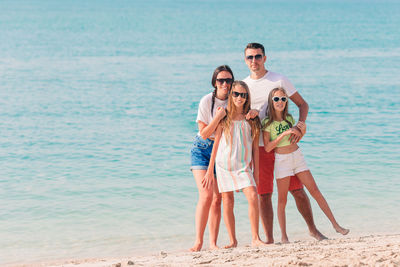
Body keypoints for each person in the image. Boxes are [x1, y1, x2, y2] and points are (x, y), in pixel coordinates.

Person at [243, 42, 327, 243]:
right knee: (264, 194)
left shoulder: (279, 79)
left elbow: (302, 104)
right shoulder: (244, 86)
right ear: (245, 60)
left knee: (297, 190)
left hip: (284, 148)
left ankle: (313, 230)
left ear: (265, 58)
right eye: (250, 57)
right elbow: (239, 115)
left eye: (258, 56)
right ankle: (271, 239)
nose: (254, 61)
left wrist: (300, 125)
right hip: (260, 147)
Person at [262, 88, 349, 243]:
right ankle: (284, 236)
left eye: (283, 99)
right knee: (282, 200)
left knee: (315, 191)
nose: (280, 102)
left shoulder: (289, 118)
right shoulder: (267, 123)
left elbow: (296, 139)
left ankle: (336, 226)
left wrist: (303, 132)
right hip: (282, 161)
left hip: (297, 157)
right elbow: (268, 147)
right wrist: (283, 134)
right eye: (276, 99)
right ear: (271, 101)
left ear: (286, 101)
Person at [204, 81, 265, 248]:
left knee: (253, 196)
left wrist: (257, 172)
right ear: (231, 95)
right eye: (236, 94)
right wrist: (210, 170)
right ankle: (233, 240)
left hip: (244, 166)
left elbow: (255, 148)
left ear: (247, 97)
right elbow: (216, 144)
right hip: (224, 165)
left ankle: (255, 238)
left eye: (243, 95)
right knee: (228, 201)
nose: (240, 97)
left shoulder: (251, 119)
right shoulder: (224, 116)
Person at [190, 65, 235, 251]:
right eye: (220, 80)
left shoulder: (236, 100)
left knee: (218, 198)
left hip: (222, 152)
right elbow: (204, 133)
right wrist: (217, 118)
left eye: (228, 80)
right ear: (214, 82)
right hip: (202, 150)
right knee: (206, 195)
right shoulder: (206, 101)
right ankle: (198, 242)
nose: (224, 84)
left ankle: (213, 243)